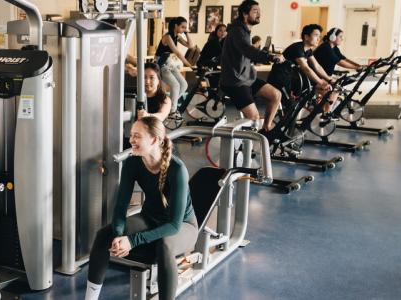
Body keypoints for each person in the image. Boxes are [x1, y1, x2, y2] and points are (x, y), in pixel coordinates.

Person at [85, 116, 198, 300]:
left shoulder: (177, 169)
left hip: (184, 226)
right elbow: (121, 206)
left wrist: (133, 241)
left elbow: (174, 225)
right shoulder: (133, 163)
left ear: (154, 140)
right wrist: (119, 234)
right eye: (131, 135)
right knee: (103, 234)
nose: (131, 140)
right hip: (149, 218)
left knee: (165, 245)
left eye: (137, 136)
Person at [220, 0, 284, 132]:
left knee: (275, 95)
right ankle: (239, 147)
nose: (259, 15)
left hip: (247, 78)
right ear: (245, 14)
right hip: (235, 82)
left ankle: (266, 129)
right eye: (255, 11)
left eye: (259, 12)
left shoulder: (244, 30)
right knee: (254, 118)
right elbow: (247, 50)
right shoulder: (238, 31)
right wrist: (270, 57)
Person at [267, 24, 335, 112]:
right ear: (306, 37)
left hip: (290, 79)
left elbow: (317, 66)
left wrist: (329, 79)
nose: (319, 38)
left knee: (302, 104)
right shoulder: (297, 48)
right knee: (291, 107)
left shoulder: (308, 50)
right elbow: (306, 68)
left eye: (319, 36)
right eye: (316, 35)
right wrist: (321, 82)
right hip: (279, 79)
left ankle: (323, 113)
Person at [154, 16, 194, 109]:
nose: (184, 29)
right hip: (160, 64)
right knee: (175, 85)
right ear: (176, 26)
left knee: (184, 85)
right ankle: (172, 110)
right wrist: (188, 64)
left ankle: (168, 105)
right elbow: (177, 53)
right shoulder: (167, 37)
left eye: (185, 27)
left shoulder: (177, 36)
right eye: (182, 27)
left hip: (168, 63)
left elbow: (190, 46)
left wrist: (186, 33)